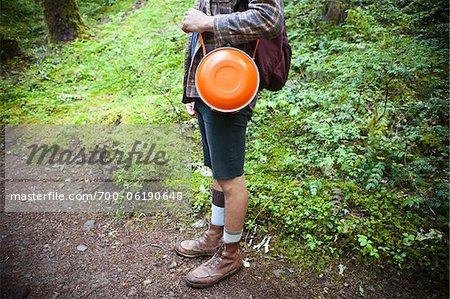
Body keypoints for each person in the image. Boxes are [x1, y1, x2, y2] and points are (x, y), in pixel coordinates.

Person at [176, 0, 283, 288]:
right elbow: (199, 39)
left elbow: (270, 20)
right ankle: (214, 235)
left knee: (230, 176)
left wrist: (208, 23)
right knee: (217, 170)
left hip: (231, 86)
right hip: (208, 86)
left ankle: (230, 253)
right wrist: (192, 91)